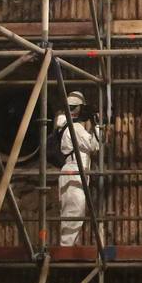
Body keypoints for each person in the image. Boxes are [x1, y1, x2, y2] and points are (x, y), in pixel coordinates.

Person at [54, 91, 101, 246]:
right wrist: (98, 125)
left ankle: (69, 246)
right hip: (74, 170)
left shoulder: (65, 126)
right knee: (74, 211)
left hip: (72, 169)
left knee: (72, 210)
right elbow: (94, 145)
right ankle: (66, 249)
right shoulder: (74, 128)